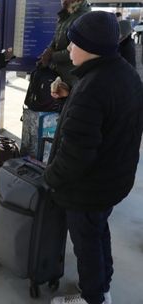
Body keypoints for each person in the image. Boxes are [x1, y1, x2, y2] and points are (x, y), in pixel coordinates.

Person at [46, 11, 143, 304]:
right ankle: (103, 285)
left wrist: (49, 178)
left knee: (86, 244)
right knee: (98, 232)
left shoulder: (92, 89)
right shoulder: (124, 73)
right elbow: (106, 114)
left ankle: (92, 298)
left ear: (91, 47)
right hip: (113, 180)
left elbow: (75, 156)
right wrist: (71, 96)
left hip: (87, 187)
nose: (69, 49)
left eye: (74, 43)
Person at [38, 0, 90, 88]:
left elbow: (77, 51)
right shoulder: (67, 14)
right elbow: (56, 38)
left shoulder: (84, 17)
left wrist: (51, 56)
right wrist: (48, 50)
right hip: (58, 73)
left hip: (71, 77)